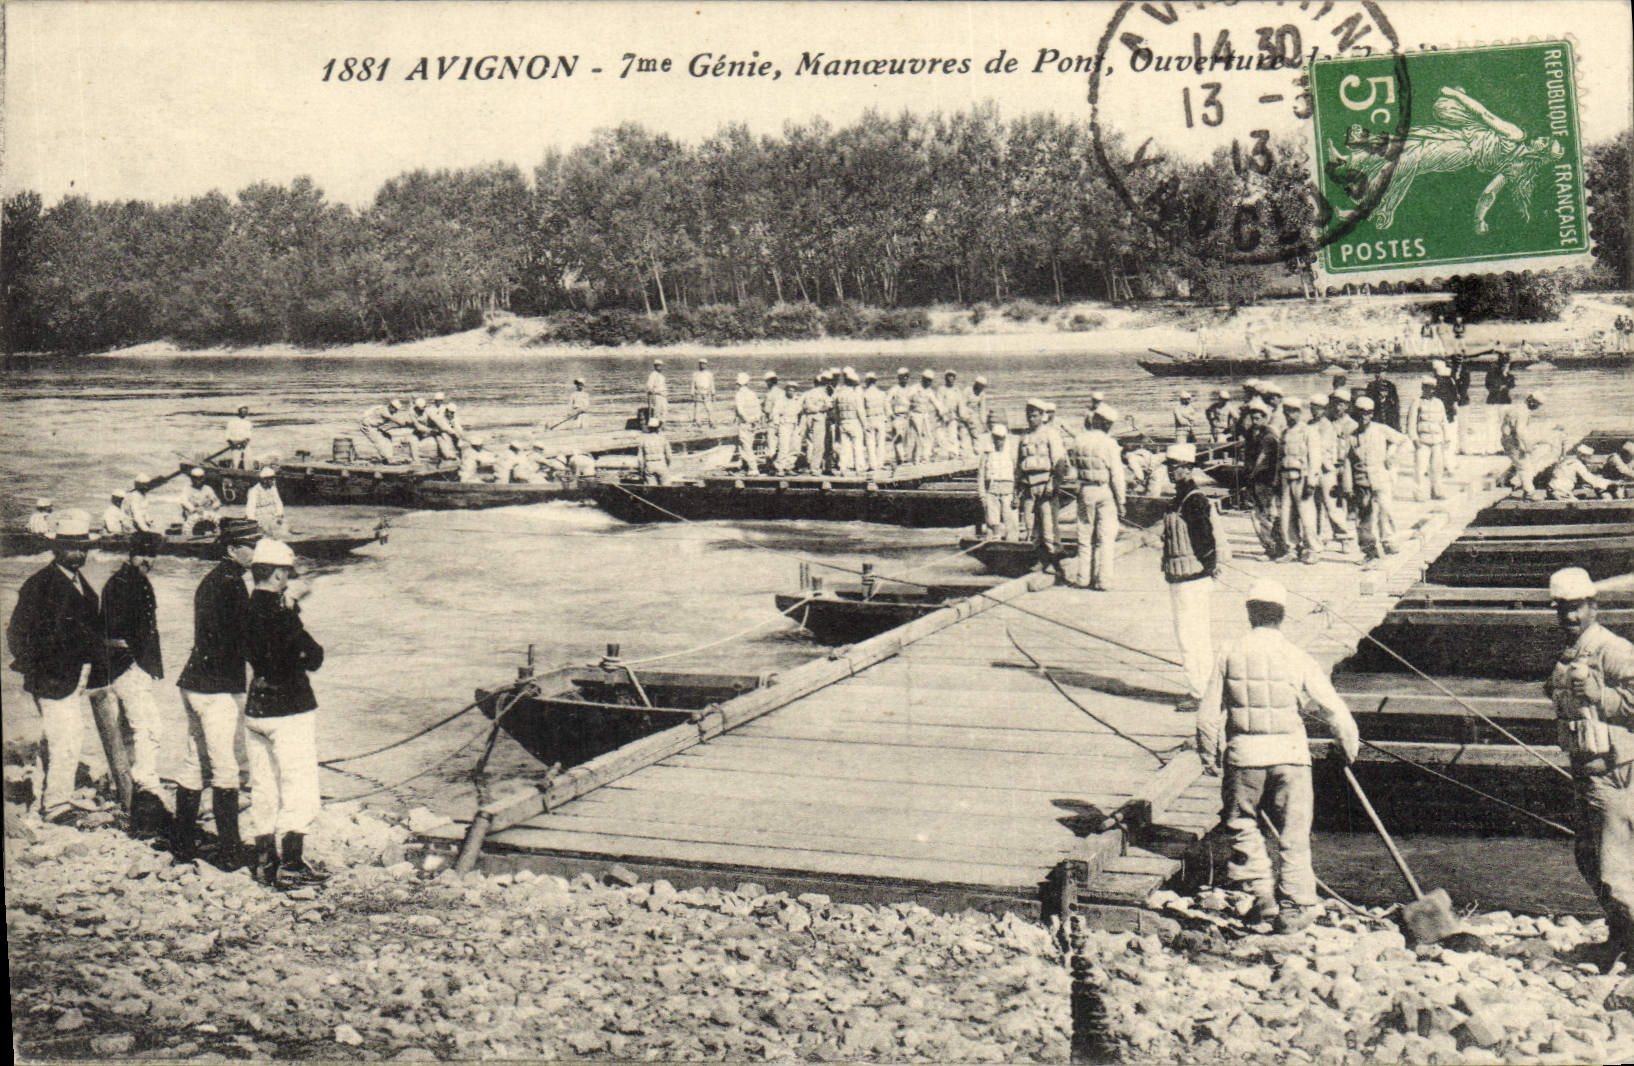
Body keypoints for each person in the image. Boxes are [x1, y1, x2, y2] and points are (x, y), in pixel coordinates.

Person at [1196, 578, 1361, 932]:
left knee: (1242, 825)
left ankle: (1262, 898)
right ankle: (1295, 905)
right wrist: (1347, 749)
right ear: (1282, 615)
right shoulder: (1297, 656)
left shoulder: (1228, 653)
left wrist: (1208, 755)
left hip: (1244, 756)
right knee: (1294, 834)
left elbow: (1208, 714)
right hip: (1292, 756)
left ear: (1249, 613)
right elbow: (1335, 710)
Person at [1543, 567, 1634, 972]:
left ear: (1594, 607)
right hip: (1586, 773)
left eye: (1577, 607)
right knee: (1588, 859)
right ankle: (1621, 940)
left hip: (1615, 775)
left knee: (1616, 868)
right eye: (1562, 609)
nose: (1570, 616)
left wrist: (1602, 696)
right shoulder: (1571, 651)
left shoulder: (1612, 649)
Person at [239, 538, 329, 887]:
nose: (288, 579)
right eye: (286, 574)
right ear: (277, 575)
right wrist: (292, 610)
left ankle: (265, 861)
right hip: (289, 707)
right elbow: (315, 656)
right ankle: (291, 864)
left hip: (256, 706)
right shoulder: (282, 614)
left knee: (263, 785)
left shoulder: (247, 608)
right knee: (299, 784)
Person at [173, 517, 261, 862]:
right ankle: (230, 850)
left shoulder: (213, 580)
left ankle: (182, 843)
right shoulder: (232, 584)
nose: (256, 551)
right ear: (232, 548)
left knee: (195, 762)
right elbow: (243, 638)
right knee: (225, 767)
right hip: (216, 688)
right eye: (251, 545)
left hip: (195, 682)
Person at [6, 511, 103, 824]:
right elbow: (17, 635)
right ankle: (56, 806)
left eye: (84, 547)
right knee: (68, 737)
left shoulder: (77, 581)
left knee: (60, 736)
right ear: (56, 548)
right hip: (53, 679)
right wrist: (39, 670)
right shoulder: (40, 585)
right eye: (72, 546)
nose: (79, 553)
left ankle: (45, 794)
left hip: (74, 677)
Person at [88, 530, 167, 838]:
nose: (148, 560)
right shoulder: (121, 584)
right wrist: (135, 660)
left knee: (132, 727)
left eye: (152, 555)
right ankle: (146, 785)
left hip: (133, 666)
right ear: (131, 554)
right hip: (127, 666)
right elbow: (112, 632)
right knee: (148, 726)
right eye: (142, 554)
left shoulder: (131, 581)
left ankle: (131, 783)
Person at [1160, 444, 1218, 708]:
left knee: (1191, 636)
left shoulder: (1194, 500)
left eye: (1175, 467)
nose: (1171, 471)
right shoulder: (1180, 498)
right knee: (1192, 635)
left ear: (1188, 468)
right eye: (1169, 467)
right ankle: (1204, 688)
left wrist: (1207, 567)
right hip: (1182, 578)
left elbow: (1205, 540)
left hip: (1192, 580)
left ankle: (1199, 692)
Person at [1067, 407, 1126, 590]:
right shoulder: (1109, 443)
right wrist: (1121, 501)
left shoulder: (1078, 440)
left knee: (1084, 535)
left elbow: (1073, 467)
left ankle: (1082, 578)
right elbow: (1117, 475)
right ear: (1106, 424)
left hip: (1085, 489)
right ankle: (1103, 580)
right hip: (1104, 489)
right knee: (1106, 537)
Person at [1347, 396, 1410, 561]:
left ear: (1372, 414)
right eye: (1361, 413)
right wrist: (1349, 485)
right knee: (1365, 517)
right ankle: (1369, 551)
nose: (1364, 416)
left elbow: (1404, 441)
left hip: (1381, 478)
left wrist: (1392, 457)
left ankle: (1388, 542)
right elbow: (1349, 461)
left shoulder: (1381, 429)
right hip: (1362, 481)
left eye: (1368, 413)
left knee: (1385, 510)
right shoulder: (1352, 436)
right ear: (1355, 413)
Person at [1017, 400, 1070, 580]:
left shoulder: (1051, 434)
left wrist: (1053, 484)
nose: (1031, 419)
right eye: (1029, 415)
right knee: (1032, 526)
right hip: (1028, 486)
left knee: (1049, 527)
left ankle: (1056, 562)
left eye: (1034, 415)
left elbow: (1059, 462)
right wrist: (1018, 489)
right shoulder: (1024, 437)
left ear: (1042, 416)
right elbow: (1019, 465)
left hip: (1045, 485)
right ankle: (1041, 559)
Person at [1278, 395, 1321, 564]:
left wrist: (1311, 482)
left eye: (1294, 411)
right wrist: (1276, 480)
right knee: (1286, 515)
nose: (1290, 415)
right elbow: (1280, 458)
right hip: (1286, 477)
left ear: (1300, 412)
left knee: (1307, 515)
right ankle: (1292, 548)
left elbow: (1315, 458)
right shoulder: (1284, 433)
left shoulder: (1308, 431)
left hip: (1302, 478)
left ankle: (1313, 549)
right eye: (1287, 412)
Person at [1241, 402, 1286, 561]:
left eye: (1258, 418)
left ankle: (1274, 547)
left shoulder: (1269, 436)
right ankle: (1270, 546)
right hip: (1254, 480)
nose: (1255, 421)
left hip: (1265, 480)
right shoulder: (1251, 434)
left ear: (1265, 418)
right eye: (1253, 418)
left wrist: (1251, 474)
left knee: (1267, 514)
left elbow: (1263, 459)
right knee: (1259, 514)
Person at [1311, 394, 1353, 550]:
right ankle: (1318, 537)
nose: (1315, 411)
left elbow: (1321, 449)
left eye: (1319, 408)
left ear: (1324, 409)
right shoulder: (1309, 424)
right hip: (1312, 470)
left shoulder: (1327, 426)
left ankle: (1344, 536)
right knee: (1315, 506)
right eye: (1313, 408)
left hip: (1326, 469)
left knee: (1332, 505)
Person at [1405, 376, 1450, 501]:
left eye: (1432, 388)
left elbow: (1444, 421)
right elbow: (1411, 422)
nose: (1429, 391)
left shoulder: (1439, 403)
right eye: (1426, 388)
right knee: (1420, 469)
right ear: (1422, 388)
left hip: (1437, 440)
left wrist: (1447, 438)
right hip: (1422, 441)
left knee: (1437, 468)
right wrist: (1414, 439)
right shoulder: (1416, 402)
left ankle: (1436, 491)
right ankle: (1418, 494)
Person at [978, 424, 1017, 540]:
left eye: (1001, 438)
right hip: (992, 489)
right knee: (992, 520)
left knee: (1010, 520)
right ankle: (994, 541)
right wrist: (982, 495)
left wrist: (1016, 494)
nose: (999, 441)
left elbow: (1017, 474)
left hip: (1008, 490)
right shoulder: (986, 454)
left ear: (1005, 438)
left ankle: (1012, 542)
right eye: (996, 438)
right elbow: (980, 475)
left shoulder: (1011, 453)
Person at [1548, 444, 1614, 500]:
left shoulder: (1566, 461)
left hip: (1553, 489)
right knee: (1576, 507)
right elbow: (1590, 479)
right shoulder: (1577, 464)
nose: (1588, 460)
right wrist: (1610, 483)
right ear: (1581, 455)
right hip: (1561, 491)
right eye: (1587, 457)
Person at [833, 368, 867, 474]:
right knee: (857, 446)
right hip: (854, 422)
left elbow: (836, 411)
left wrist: (838, 423)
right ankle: (859, 468)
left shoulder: (839, 394)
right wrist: (865, 425)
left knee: (844, 447)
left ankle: (843, 468)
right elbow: (860, 411)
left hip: (843, 422)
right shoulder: (855, 395)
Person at [798, 372, 833, 473]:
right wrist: (820, 408)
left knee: (810, 442)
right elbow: (829, 406)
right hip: (818, 418)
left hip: (807, 417)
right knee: (819, 444)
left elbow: (800, 405)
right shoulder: (823, 394)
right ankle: (815, 468)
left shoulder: (807, 393)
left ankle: (809, 463)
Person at [731, 372, 762, 472]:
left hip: (745, 423)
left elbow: (740, 411)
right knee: (748, 445)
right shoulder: (752, 394)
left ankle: (753, 468)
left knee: (745, 446)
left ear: (738, 384)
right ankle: (746, 467)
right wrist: (755, 420)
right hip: (753, 423)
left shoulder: (739, 395)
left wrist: (748, 420)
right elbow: (758, 409)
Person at [245, 467, 287, 537]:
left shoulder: (273, 489)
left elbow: (278, 502)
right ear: (265, 480)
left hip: (273, 516)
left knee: (284, 528)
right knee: (269, 532)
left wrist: (280, 514)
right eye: (272, 479)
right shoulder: (254, 491)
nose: (274, 482)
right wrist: (252, 521)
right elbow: (250, 508)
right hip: (261, 518)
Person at [908, 370, 939, 464]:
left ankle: (925, 457)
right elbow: (906, 399)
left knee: (928, 436)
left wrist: (943, 412)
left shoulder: (929, 391)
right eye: (927, 380)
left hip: (925, 415)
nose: (929, 382)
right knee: (918, 437)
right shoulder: (914, 388)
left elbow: (936, 402)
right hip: (915, 415)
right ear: (923, 379)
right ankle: (916, 459)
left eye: (930, 380)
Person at [180, 468, 223, 535]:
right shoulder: (187, 489)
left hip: (207, 515)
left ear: (203, 478)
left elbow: (216, 501)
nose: (198, 480)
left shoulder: (207, 489)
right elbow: (184, 501)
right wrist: (194, 509)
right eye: (195, 478)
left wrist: (214, 507)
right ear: (191, 478)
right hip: (192, 516)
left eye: (200, 478)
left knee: (220, 521)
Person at [863, 370, 892, 471]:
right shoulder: (881, 393)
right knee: (881, 443)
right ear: (875, 381)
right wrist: (888, 420)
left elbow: (862, 409)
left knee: (870, 443)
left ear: (867, 381)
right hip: (880, 419)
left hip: (869, 419)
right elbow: (886, 408)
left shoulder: (864, 394)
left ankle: (872, 465)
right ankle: (880, 463)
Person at [886, 368, 915, 465]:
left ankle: (905, 457)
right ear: (899, 378)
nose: (905, 379)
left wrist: (912, 412)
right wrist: (891, 414)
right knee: (898, 437)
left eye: (906, 376)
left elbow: (913, 401)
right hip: (897, 416)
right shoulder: (894, 389)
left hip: (907, 416)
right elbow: (886, 401)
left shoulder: (910, 389)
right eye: (902, 377)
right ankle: (900, 458)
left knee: (906, 438)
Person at [773, 381, 801, 475]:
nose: (791, 392)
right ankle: (780, 468)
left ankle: (789, 466)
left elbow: (800, 413)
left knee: (794, 447)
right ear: (786, 390)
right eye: (789, 390)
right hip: (784, 425)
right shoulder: (780, 401)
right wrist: (776, 425)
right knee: (783, 447)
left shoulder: (797, 400)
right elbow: (775, 413)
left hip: (794, 425)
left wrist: (799, 426)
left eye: (793, 390)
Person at [1363, 362, 1401, 431]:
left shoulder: (1391, 386)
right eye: (1377, 373)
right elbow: (1368, 402)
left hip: (1389, 419)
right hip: (1376, 418)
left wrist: (1397, 425)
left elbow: (1396, 405)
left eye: (1381, 372)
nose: (1379, 375)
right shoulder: (1371, 386)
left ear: (1385, 374)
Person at [425, 393, 462, 460]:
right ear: (435, 400)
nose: (438, 402)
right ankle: (447, 455)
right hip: (433, 428)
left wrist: (455, 432)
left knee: (453, 436)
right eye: (437, 400)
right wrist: (452, 432)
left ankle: (457, 453)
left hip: (442, 427)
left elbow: (451, 423)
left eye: (440, 400)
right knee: (442, 436)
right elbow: (439, 423)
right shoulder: (430, 409)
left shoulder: (445, 409)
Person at [963, 377, 993, 456]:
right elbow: (962, 404)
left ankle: (977, 451)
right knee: (963, 433)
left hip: (973, 415)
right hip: (964, 413)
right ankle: (962, 452)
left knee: (975, 433)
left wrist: (983, 421)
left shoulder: (982, 394)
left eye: (983, 386)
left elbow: (982, 409)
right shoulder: (967, 390)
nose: (982, 388)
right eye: (981, 386)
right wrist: (966, 416)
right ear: (976, 384)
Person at [638, 418, 672, 485]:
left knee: (651, 489)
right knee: (666, 488)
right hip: (661, 464)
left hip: (649, 465)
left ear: (649, 428)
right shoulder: (663, 439)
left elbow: (640, 459)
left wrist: (641, 470)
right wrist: (667, 465)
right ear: (658, 428)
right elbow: (669, 456)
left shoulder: (643, 440)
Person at [690, 359, 716, 426]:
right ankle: (698, 423)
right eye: (701, 364)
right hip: (698, 393)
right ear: (699, 365)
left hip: (707, 393)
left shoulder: (709, 374)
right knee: (698, 409)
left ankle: (712, 423)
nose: (702, 365)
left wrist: (713, 393)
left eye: (704, 364)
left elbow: (712, 384)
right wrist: (692, 393)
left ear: (706, 365)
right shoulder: (695, 374)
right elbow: (693, 384)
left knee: (709, 409)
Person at [645, 360, 669, 424]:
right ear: (655, 366)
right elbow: (649, 387)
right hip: (657, 396)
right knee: (656, 412)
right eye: (658, 366)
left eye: (660, 366)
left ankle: (662, 425)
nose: (660, 367)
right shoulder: (653, 375)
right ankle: (654, 426)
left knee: (664, 411)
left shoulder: (661, 376)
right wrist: (656, 392)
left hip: (663, 396)